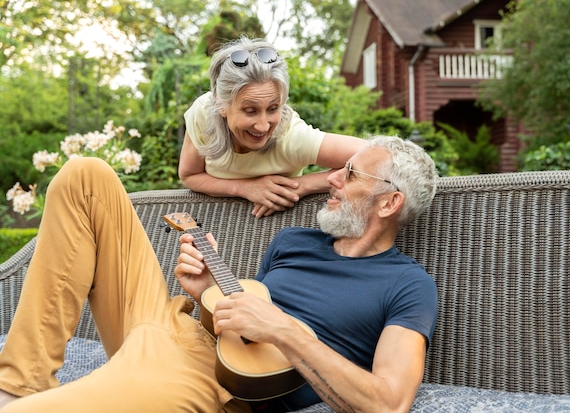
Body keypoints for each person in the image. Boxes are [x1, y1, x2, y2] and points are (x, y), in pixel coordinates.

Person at [0, 135, 438, 413]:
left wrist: (287, 332)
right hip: (171, 327)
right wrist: (209, 292)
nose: (332, 181)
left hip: (209, 384)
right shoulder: (295, 241)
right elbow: (241, 333)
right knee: (86, 176)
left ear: (389, 203)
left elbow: (389, 402)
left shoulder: (407, 285)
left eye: (350, 173)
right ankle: (19, 382)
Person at [178, 36, 367, 219]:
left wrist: (302, 185)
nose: (263, 126)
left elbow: (384, 158)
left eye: (273, 108)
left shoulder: (292, 137)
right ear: (221, 105)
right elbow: (189, 175)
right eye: (250, 110)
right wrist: (244, 187)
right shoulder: (203, 113)